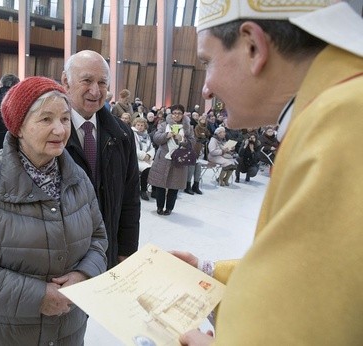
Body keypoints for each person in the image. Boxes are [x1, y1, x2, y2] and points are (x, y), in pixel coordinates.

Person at [176, 1, 363, 345]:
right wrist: (209, 273)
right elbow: (312, 278)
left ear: (253, 46)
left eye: (207, 62)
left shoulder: (346, 121)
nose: (206, 89)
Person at [0, 76, 108, 345]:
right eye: (46, 119)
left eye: (64, 119)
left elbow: (98, 239)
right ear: (19, 126)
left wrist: (84, 274)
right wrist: (37, 296)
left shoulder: (77, 177)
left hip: (65, 330)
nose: (60, 130)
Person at [62, 50, 140, 269]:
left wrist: (126, 250)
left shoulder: (122, 134)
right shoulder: (49, 134)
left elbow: (130, 198)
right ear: (66, 81)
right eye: (86, 80)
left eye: (102, 83)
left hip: (107, 254)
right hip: (64, 263)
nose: (95, 91)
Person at [148, 104, 195, 215]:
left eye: (179, 113)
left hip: (179, 159)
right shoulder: (164, 125)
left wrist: (182, 139)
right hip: (163, 157)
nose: (176, 115)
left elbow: (192, 143)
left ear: (183, 114)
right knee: (160, 184)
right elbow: (156, 138)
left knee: (174, 185)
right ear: (171, 114)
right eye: (174, 113)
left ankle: (169, 208)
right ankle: (159, 207)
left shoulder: (188, 127)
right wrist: (167, 135)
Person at [132, 117, 155, 201]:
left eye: (142, 125)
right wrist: (143, 156)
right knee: (147, 169)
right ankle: (143, 190)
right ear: (135, 125)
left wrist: (149, 155)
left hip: (147, 159)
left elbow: (152, 148)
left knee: (156, 168)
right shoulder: (132, 134)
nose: (140, 127)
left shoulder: (147, 136)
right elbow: (133, 148)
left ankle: (154, 190)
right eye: (138, 125)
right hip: (136, 159)